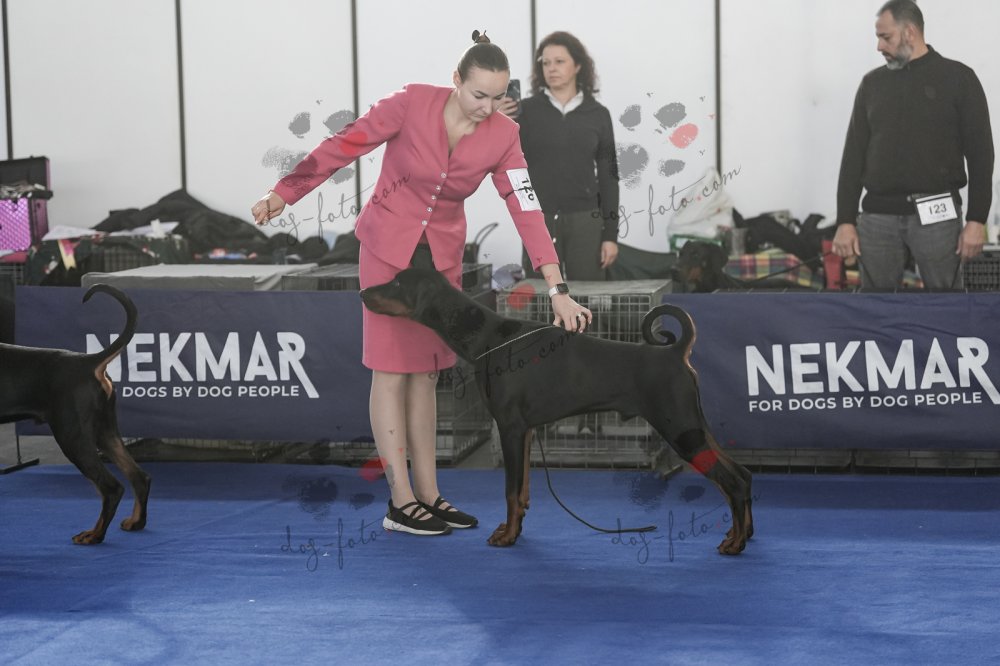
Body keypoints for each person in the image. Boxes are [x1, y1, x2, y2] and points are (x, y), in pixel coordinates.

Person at [250, 31, 592, 537]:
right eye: (478, 95)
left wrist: (557, 287)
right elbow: (344, 145)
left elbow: (525, 205)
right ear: (456, 80)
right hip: (387, 250)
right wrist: (285, 192)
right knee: (391, 371)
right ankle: (400, 501)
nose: (487, 108)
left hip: (441, 262)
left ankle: (430, 494)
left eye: (497, 97)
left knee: (428, 373)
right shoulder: (410, 103)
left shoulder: (504, 135)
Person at [833, 0, 994, 289]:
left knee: (946, 306)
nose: (879, 46)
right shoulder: (872, 84)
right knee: (875, 308)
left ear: (909, 32)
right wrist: (845, 220)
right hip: (878, 218)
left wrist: (976, 221)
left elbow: (981, 155)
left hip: (938, 217)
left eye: (886, 37)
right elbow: (853, 157)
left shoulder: (959, 79)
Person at [501, 31, 620, 281]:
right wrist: (497, 119)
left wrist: (610, 236)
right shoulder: (525, 112)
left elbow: (609, 177)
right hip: (539, 219)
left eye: (559, 61)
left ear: (577, 66)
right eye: (545, 63)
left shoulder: (598, 114)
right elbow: (503, 160)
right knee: (542, 295)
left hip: (586, 219)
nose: (551, 68)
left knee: (587, 295)